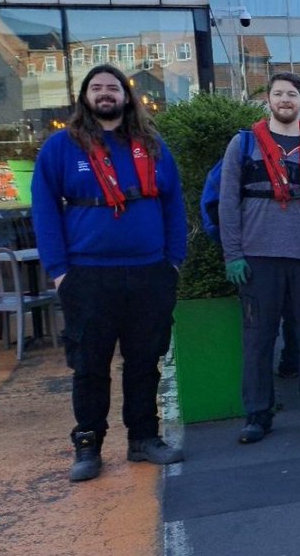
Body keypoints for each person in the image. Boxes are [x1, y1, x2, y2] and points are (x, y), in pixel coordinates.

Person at [32, 64, 186, 482]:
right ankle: (88, 445)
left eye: (112, 87)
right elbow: (45, 210)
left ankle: (143, 438)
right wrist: (60, 271)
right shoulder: (61, 148)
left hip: (148, 273)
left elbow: (173, 204)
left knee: (144, 360)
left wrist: (173, 260)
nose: (105, 94)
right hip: (87, 275)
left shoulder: (151, 144)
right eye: (96, 88)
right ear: (85, 96)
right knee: (89, 364)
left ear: (125, 96)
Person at [219, 72, 300, 444]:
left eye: (292, 94)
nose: (285, 100)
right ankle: (258, 415)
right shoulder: (242, 146)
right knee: (258, 338)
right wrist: (233, 254)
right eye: (278, 94)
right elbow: (228, 203)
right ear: (268, 100)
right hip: (258, 258)